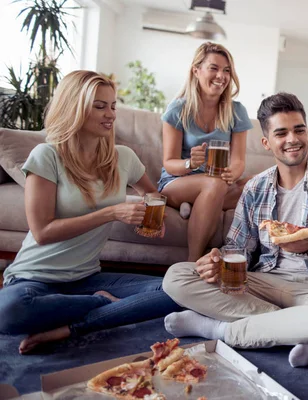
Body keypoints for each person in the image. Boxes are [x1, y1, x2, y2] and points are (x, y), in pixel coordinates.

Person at [162, 92, 308, 368]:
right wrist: (218, 260)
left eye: (299, 130)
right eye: (281, 133)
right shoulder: (255, 187)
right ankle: (292, 329)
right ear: (267, 143)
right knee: (177, 276)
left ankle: (217, 330)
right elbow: (237, 249)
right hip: (264, 284)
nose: (292, 139)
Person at [0, 71, 181, 354]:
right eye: (99, 106)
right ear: (74, 108)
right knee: (8, 311)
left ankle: (73, 326)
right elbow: (42, 232)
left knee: (176, 291)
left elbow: (153, 194)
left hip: (86, 279)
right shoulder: (47, 156)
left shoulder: (123, 157)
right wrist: (111, 213)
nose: (110, 114)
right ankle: (103, 306)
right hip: (34, 279)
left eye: (113, 106)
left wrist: (152, 216)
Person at [158, 42, 253, 262]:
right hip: (178, 182)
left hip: (216, 181)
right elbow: (169, 162)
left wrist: (234, 173)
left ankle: (200, 204)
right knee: (214, 184)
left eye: (227, 70)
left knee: (262, 183)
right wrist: (189, 163)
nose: (221, 75)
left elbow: (238, 161)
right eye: (214, 68)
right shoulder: (178, 109)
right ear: (196, 70)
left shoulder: (236, 111)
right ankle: (193, 263)